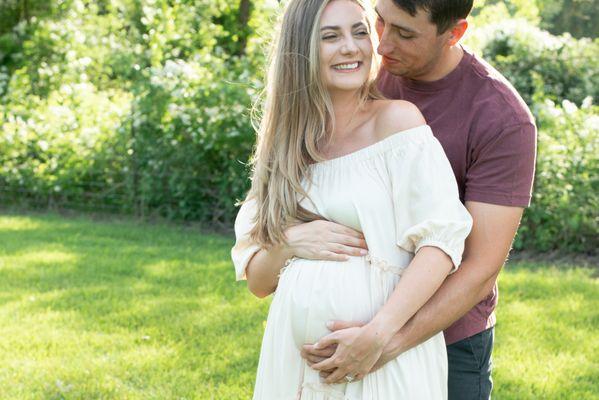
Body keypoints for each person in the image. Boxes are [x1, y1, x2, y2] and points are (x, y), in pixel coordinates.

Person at [231, 0, 473, 398]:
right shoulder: (284, 147)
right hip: (293, 363)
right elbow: (258, 282)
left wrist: (377, 336)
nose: (352, 47)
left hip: (380, 358)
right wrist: (289, 243)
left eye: (360, 32)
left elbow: (441, 244)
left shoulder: (396, 122)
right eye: (330, 36)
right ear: (300, 50)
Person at [300, 0, 537, 399]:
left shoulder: (502, 119)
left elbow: (480, 267)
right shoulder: (365, 75)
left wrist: (384, 342)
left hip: (447, 339)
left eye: (405, 33)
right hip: (347, 329)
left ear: (454, 34)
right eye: (379, 21)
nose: (381, 44)